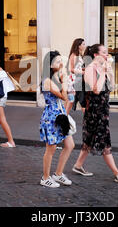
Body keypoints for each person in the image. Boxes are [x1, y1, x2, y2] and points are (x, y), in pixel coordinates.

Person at [72, 44, 118, 184]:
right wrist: (103, 71)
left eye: (107, 52)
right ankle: (117, 173)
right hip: (94, 112)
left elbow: (112, 87)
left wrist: (110, 72)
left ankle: (78, 166)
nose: (106, 54)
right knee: (104, 142)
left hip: (103, 110)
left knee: (90, 140)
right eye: (104, 52)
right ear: (96, 55)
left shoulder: (102, 68)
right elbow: (96, 90)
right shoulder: (91, 68)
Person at [39, 50, 75, 188]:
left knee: (70, 145)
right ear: (50, 64)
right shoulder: (47, 81)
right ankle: (45, 177)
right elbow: (64, 96)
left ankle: (58, 174)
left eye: (61, 60)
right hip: (51, 117)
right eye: (58, 61)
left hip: (60, 114)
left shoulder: (55, 77)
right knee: (51, 149)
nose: (61, 64)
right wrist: (64, 78)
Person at [65, 38, 86, 114]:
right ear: (78, 46)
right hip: (74, 80)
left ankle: (64, 116)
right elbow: (71, 69)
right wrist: (83, 72)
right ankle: (64, 117)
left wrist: (83, 70)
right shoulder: (74, 55)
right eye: (83, 44)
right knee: (71, 100)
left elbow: (78, 67)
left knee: (71, 100)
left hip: (77, 80)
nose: (84, 45)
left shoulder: (79, 55)